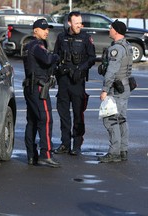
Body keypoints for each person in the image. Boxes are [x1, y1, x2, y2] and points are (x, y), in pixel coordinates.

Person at [53, 11, 96, 156]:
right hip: (64, 81)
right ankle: (65, 143)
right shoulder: (61, 37)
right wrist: (57, 69)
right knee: (63, 114)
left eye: (80, 23)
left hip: (78, 81)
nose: (79, 26)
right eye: (76, 23)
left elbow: (92, 58)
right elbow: (56, 56)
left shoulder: (86, 38)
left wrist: (80, 69)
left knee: (78, 113)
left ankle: (77, 144)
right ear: (69, 23)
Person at [22, 18, 60, 167]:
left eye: (47, 29)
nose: (46, 32)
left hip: (31, 87)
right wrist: (57, 56)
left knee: (32, 121)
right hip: (38, 88)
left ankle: (32, 155)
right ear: (35, 30)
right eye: (43, 29)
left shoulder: (29, 45)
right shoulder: (37, 46)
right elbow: (48, 59)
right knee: (46, 119)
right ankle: (46, 154)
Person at [98, 20, 133, 163]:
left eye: (111, 28)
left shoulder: (117, 49)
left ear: (116, 31)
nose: (109, 30)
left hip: (116, 88)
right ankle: (123, 150)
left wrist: (105, 90)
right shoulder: (128, 45)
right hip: (125, 86)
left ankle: (114, 153)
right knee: (121, 119)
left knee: (110, 119)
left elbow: (112, 71)